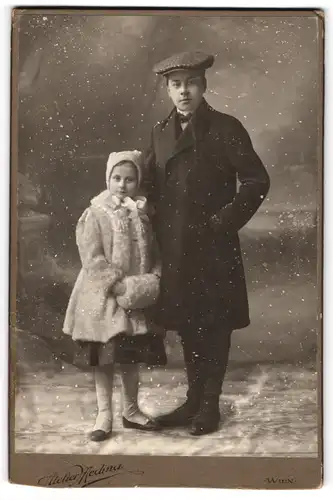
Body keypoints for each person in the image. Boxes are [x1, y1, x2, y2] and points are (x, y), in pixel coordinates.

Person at [143, 51, 270, 436]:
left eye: (191, 83)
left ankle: (209, 406)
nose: (184, 91)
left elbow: (256, 181)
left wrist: (223, 223)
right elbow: (149, 183)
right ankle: (193, 401)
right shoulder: (160, 132)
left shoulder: (226, 128)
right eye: (176, 84)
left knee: (213, 325)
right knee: (187, 324)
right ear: (168, 90)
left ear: (204, 86)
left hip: (213, 246)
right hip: (175, 247)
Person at [62, 150, 167, 442]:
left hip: (134, 296)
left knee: (129, 357)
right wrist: (117, 285)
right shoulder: (95, 213)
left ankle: (131, 410)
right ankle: (104, 413)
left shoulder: (142, 216)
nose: (122, 185)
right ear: (108, 179)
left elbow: (155, 253)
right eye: (117, 178)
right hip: (103, 296)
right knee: (104, 358)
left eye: (130, 179)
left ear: (138, 182)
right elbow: (92, 257)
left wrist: (151, 281)